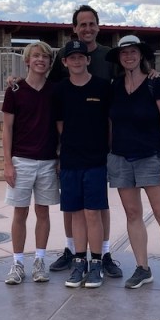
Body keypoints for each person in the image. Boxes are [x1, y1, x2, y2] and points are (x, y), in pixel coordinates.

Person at [46, 4, 123, 280]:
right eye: (82, 24)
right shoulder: (64, 63)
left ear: (98, 27)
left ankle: (103, 254)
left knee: (98, 207)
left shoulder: (107, 57)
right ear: (75, 28)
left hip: (98, 149)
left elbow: (128, 77)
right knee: (74, 208)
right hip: (72, 152)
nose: (87, 28)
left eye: (92, 24)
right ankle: (74, 253)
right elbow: (48, 85)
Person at [106, 35, 160, 294]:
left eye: (133, 52)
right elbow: (110, 123)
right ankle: (143, 267)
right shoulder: (115, 86)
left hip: (151, 158)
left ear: (141, 55)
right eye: (123, 52)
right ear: (119, 57)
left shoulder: (155, 85)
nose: (128, 56)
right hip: (120, 158)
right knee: (132, 214)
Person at [52, 39, 111, 289]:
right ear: (65, 62)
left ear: (88, 60)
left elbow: (109, 123)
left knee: (93, 213)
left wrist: (107, 150)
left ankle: (96, 263)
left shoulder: (102, 87)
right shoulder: (60, 90)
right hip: (71, 160)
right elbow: (60, 125)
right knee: (75, 212)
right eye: (71, 57)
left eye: (81, 57)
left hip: (96, 160)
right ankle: (79, 261)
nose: (77, 61)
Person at [1, 41, 59, 285]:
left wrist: (59, 156)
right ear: (27, 61)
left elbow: (60, 127)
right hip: (21, 160)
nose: (41, 60)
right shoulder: (14, 90)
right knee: (20, 213)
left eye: (45, 56)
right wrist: (7, 163)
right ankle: (17, 263)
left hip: (47, 161)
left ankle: (39, 261)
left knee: (43, 212)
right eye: (36, 56)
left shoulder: (55, 90)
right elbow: (7, 128)